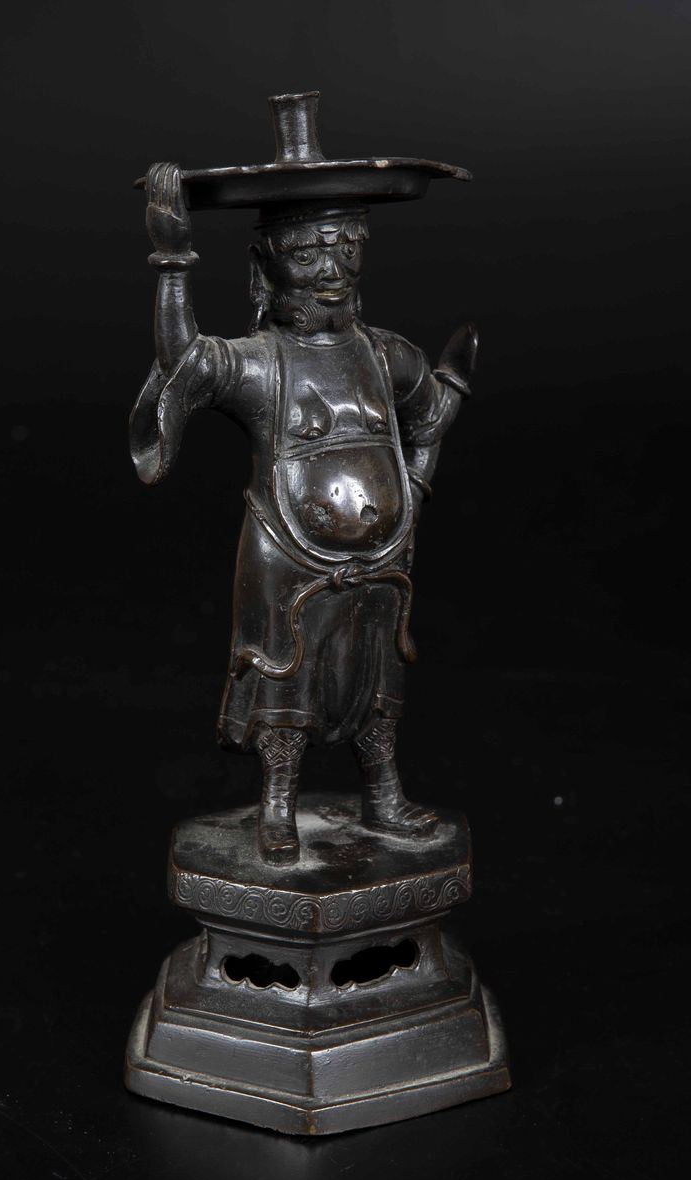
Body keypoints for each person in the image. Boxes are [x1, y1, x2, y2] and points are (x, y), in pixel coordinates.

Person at [130, 162, 476, 864]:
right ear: (265, 264)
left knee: (379, 680)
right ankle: (278, 805)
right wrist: (172, 259)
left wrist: (413, 491)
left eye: (347, 248)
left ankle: (383, 795)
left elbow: (430, 418)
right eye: (308, 253)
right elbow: (185, 363)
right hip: (288, 554)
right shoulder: (259, 363)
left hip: (383, 559)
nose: (331, 269)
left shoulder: (386, 354)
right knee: (283, 679)